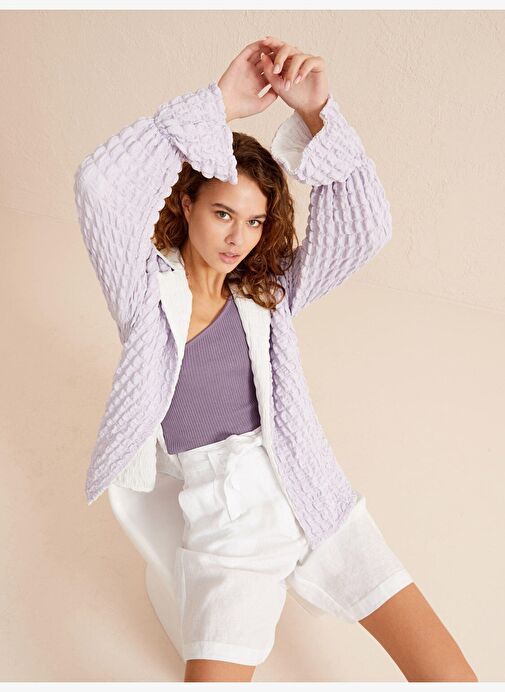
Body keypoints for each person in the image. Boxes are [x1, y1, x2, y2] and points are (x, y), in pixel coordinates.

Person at [73, 36, 478, 683]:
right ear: (186, 204)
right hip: (227, 526)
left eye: (256, 221)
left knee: (451, 677)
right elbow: (98, 187)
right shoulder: (147, 296)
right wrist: (217, 105)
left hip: (314, 493)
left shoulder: (269, 293)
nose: (238, 237)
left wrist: (318, 114)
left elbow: (367, 229)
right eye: (222, 213)